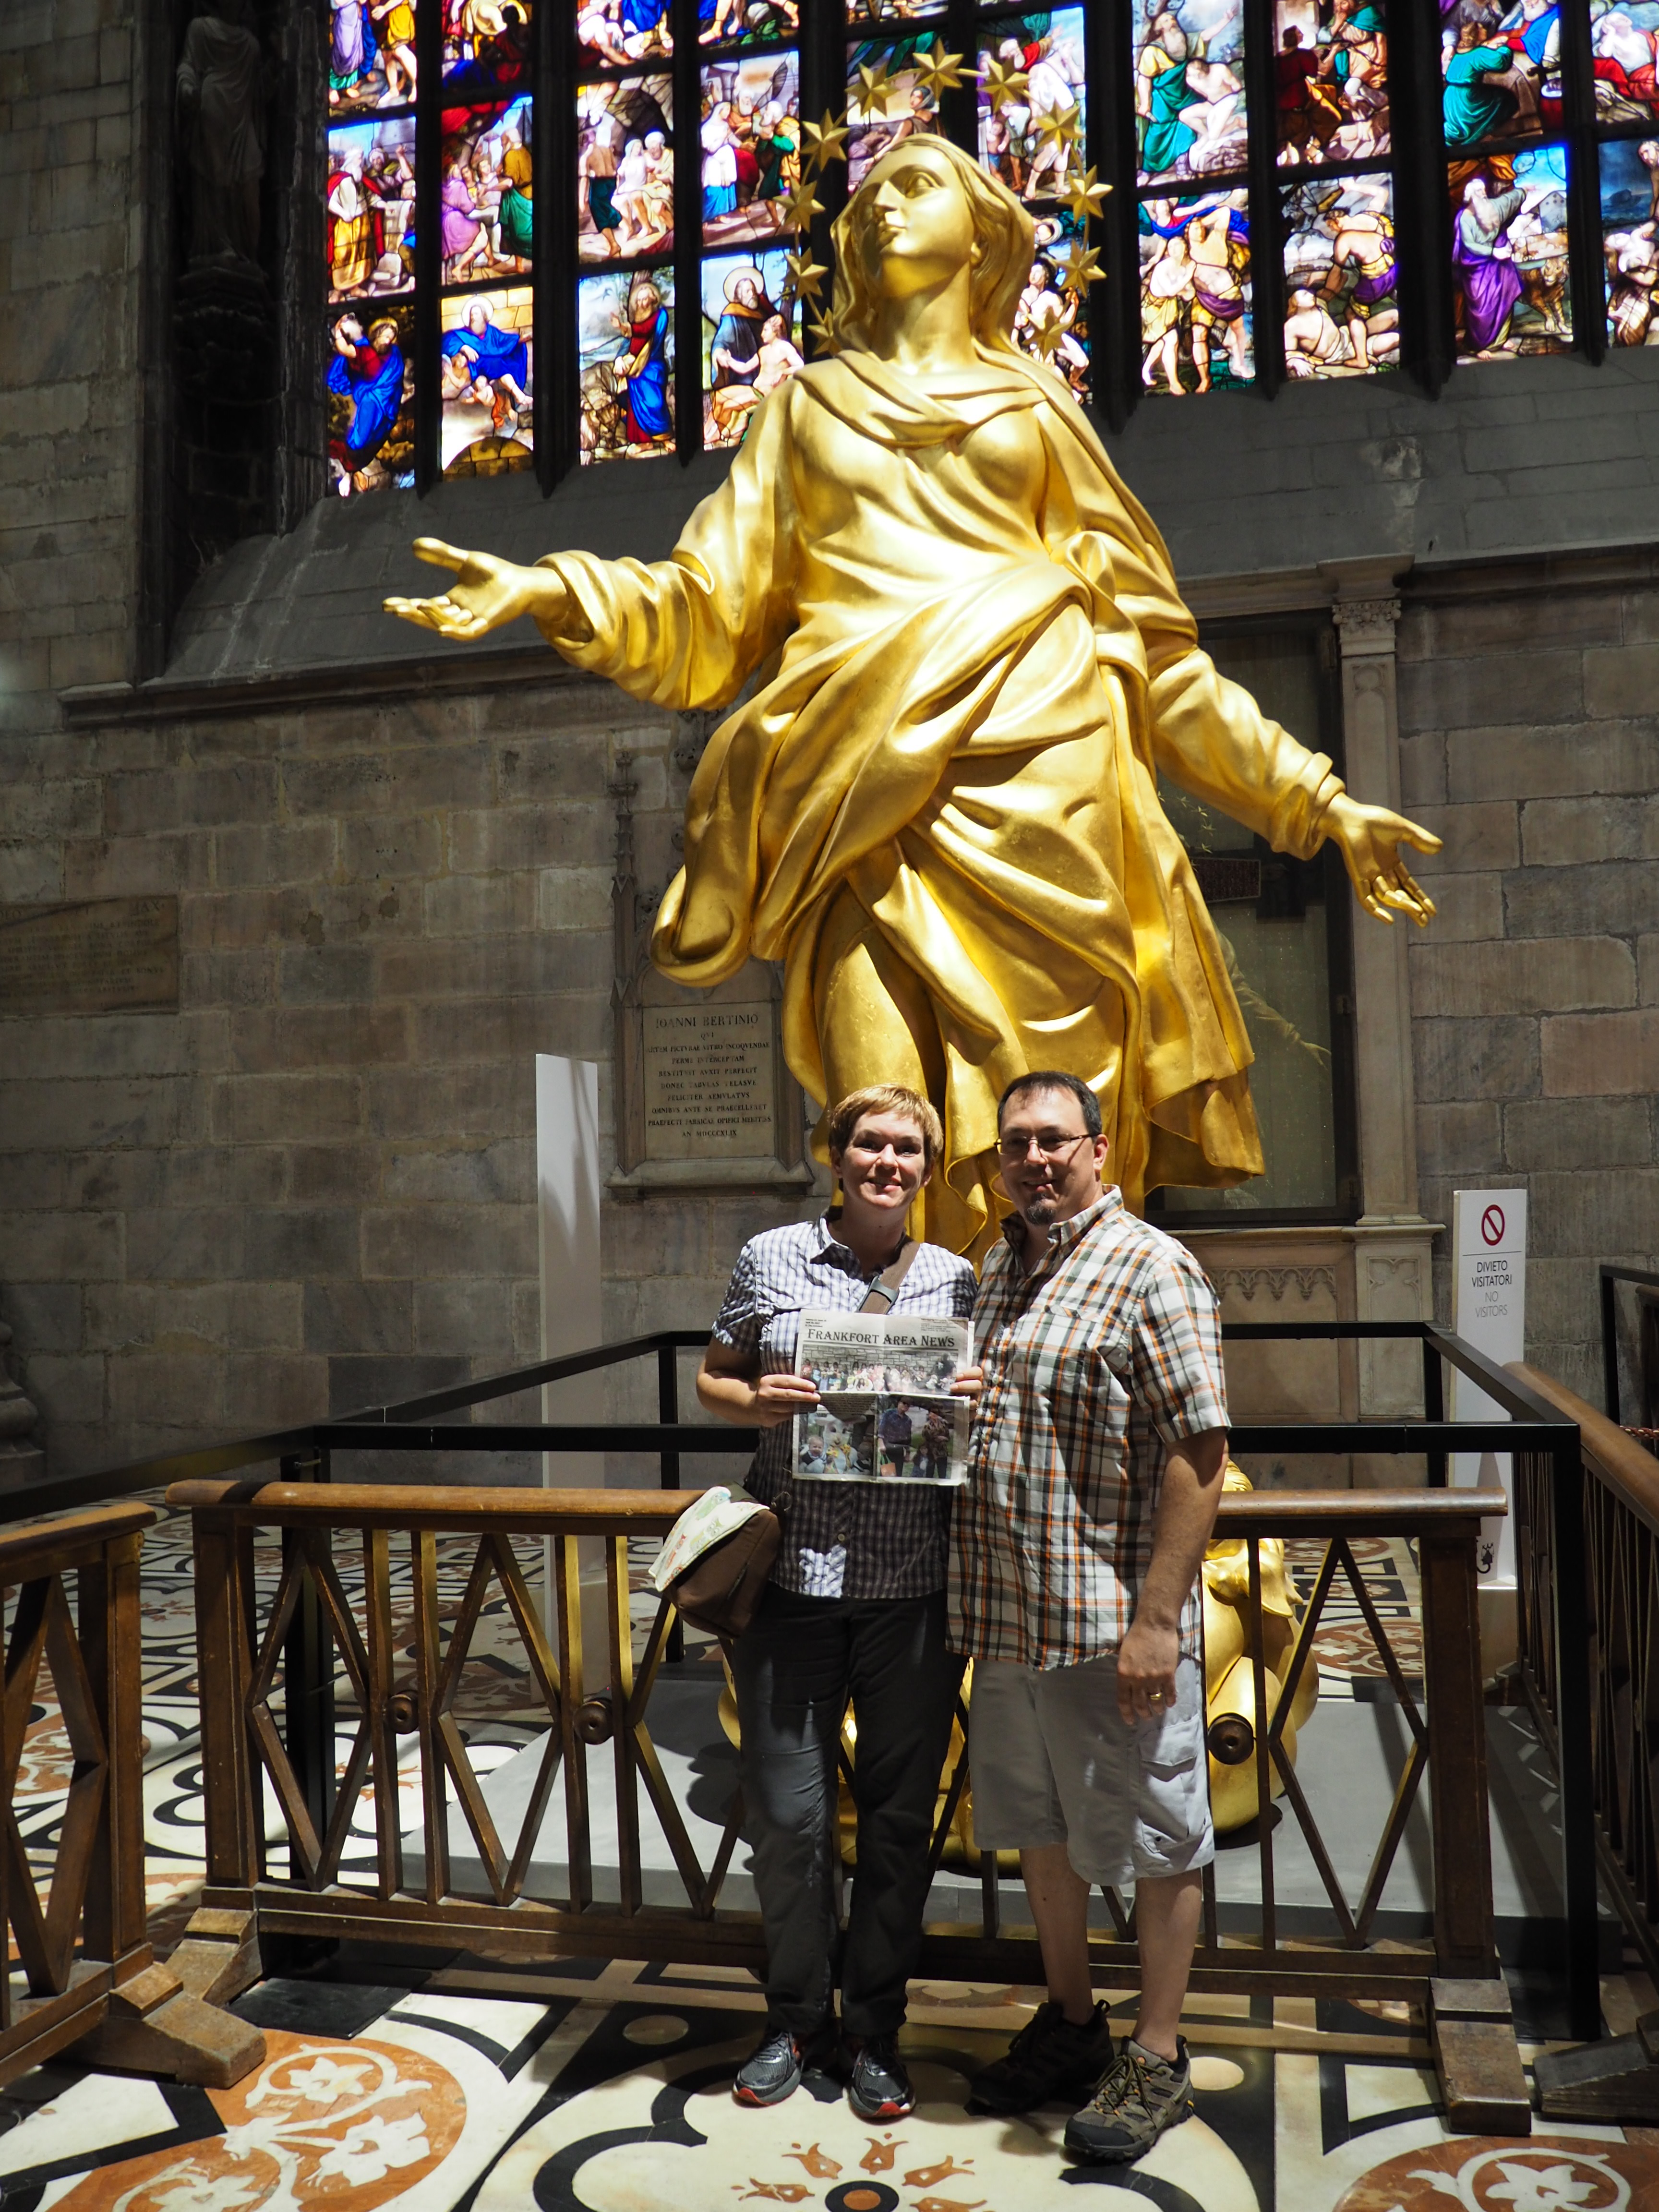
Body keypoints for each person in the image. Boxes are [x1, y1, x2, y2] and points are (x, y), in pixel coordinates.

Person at [385, 136, 1439, 1260]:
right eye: (870, 198)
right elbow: (705, 613)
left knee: (1051, 1141)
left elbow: (1164, 664)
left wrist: (1319, 802)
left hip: (1048, 800)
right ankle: (892, 1411)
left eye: (919, 186)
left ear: (984, 232)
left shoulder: (1038, 414)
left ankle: (1074, 1398)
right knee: (879, 1127)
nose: (885, 209)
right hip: (860, 800)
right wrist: (553, 586)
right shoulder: (804, 413)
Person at [953, 1070, 1228, 2166]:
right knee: (1041, 1826)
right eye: (1018, 1143)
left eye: (1056, 1141)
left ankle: (1158, 2056)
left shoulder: (1153, 1267)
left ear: (1100, 1151)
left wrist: (1157, 1619)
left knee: (1158, 1829)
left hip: (1111, 1612)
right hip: (1008, 1610)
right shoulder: (993, 1271)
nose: (1036, 1159)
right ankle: (1073, 2019)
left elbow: (1197, 1451)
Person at [694, 1086, 980, 2119]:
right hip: (792, 1583)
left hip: (912, 1589)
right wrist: (752, 1401)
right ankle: (792, 2015)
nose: (886, 1161)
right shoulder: (772, 1258)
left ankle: (877, 2026)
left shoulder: (955, 1277)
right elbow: (713, 1377)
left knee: (901, 1822)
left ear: (927, 1167)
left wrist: (969, 1399)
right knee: (787, 1817)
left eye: (907, 1147)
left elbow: (970, 1415)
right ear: (838, 1153)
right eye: (870, 1142)